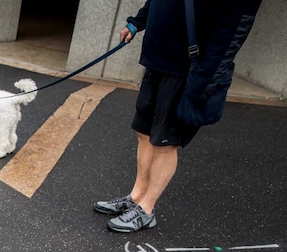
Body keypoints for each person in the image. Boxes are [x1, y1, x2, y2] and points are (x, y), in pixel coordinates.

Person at [94, 0, 262, 232]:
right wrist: (137, 23)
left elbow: (233, 31)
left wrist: (204, 80)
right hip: (157, 59)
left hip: (187, 71)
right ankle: (135, 197)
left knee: (165, 141)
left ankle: (146, 209)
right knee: (143, 132)